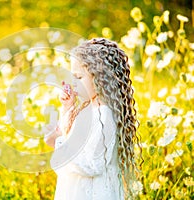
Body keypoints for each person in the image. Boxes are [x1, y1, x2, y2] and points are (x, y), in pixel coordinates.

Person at [44, 38, 142, 200]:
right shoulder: (88, 110)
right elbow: (73, 143)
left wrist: (57, 142)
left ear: (100, 78)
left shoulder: (104, 115)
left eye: (78, 77)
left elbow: (92, 164)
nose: (73, 82)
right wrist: (67, 108)